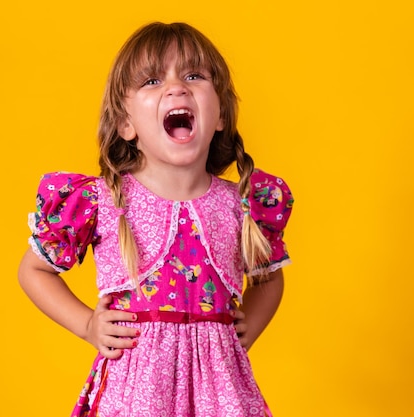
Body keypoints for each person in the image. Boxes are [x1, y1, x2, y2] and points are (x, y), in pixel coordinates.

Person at [18, 21, 294, 417]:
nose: (177, 87)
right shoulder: (103, 201)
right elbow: (34, 271)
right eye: (151, 81)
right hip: (137, 395)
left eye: (194, 76)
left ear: (220, 116)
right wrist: (88, 325)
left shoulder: (241, 205)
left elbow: (269, 277)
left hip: (222, 393)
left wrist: (249, 324)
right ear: (125, 123)